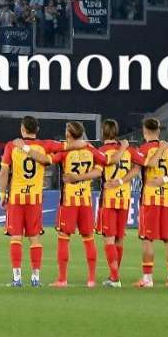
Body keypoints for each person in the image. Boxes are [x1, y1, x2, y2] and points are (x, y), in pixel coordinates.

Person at [0, 115, 66, 286]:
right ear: (37, 129)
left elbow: (4, 172)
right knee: (34, 238)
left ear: (22, 129)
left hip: (16, 198)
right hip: (35, 199)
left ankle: (17, 278)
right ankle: (36, 278)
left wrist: (3, 194)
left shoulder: (12, 146)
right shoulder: (45, 145)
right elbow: (66, 147)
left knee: (16, 237)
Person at [47, 121, 116, 287]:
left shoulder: (65, 152)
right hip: (85, 200)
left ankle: (62, 279)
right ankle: (91, 279)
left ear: (69, 134)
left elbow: (49, 159)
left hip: (69, 201)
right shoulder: (90, 149)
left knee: (64, 238)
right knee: (89, 239)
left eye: (66, 131)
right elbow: (106, 161)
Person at [132, 117, 168, 288]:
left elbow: (143, 167)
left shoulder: (142, 149)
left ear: (144, 131)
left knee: (147, 238)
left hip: (149, 199)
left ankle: (147, 279)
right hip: (166, 198)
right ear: (159, 131)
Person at [96, 119, 138, 287]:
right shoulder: (129, 150)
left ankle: (114, 278)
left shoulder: (101, 151)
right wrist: (122, 181)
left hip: (108, 199)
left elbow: (107, 163)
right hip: (125, 198)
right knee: (119, 239)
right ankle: (114, 275)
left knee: (109, 239)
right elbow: (138, 167)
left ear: (103, 132)